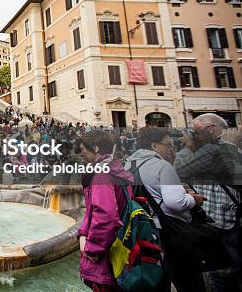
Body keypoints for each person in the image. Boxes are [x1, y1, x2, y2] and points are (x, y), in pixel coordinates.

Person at [125, 127, 204, 291]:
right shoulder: (161, 165)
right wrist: (193, 199)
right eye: (168, 145)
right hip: (172, 232)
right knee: (190, 282)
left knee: (160, 279)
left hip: (145, 233)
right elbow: (175, 202)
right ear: (154, 146)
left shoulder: (128, 164)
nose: (172, 148)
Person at [173, 114, 241, 292]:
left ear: (211, 129)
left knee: (225, 273)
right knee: (222, 270)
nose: (192, 135)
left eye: (195, 132)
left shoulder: (218, 150)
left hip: (223, 220)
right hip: (215, 218)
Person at [77, 130, 134, 291]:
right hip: (120, 243)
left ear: (95, 148)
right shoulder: (115, 168)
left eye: (82, 149)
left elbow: (106, 215)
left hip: (107, 253)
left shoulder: (102, 175)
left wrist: (92, 247)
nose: (81, 153)